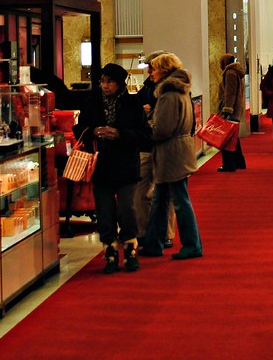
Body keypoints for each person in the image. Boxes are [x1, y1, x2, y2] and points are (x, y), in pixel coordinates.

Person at [76, 62, 144, 273]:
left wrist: (119, 134)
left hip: (125, 165)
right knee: (104, 211)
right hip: (100, 165)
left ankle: (130, 249)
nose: (105, 86)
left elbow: (144, 135)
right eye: (102, 81)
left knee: (127, 209)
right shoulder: (92, 103)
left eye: (110, 82)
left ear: (120, 83)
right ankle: (110, 251)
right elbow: (80, 128)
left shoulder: (132, 104)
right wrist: (94, 131)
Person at [140, 53, 203, 260]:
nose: (151, 73)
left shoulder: (167, 95)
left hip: (171, 153)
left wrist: (145, 127)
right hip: (178, 150)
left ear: (165, 71)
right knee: (161, 200)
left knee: (178, 200)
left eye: (155, 69)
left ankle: (192, 245)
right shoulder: (181, 91)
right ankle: (154, 243)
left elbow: (162, 129)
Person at [133, 51, 177, 250]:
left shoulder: (172, 91)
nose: (149, 71)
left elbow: (170, 124)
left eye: (152, 66)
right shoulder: (146, 88)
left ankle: (166, 234)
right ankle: (143, 231)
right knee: (140, 192)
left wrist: (151, 116)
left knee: (166, 194)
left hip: (164, 147)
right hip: (145, 146)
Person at [217, 53, 247, 172]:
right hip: (235, 110)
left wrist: (227, 110)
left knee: (227, 139)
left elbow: (230, 93)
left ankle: (229, 165)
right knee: (233, 138)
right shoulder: (235, 72)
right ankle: (240, 162)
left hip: (231, 110)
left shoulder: (230, 73)